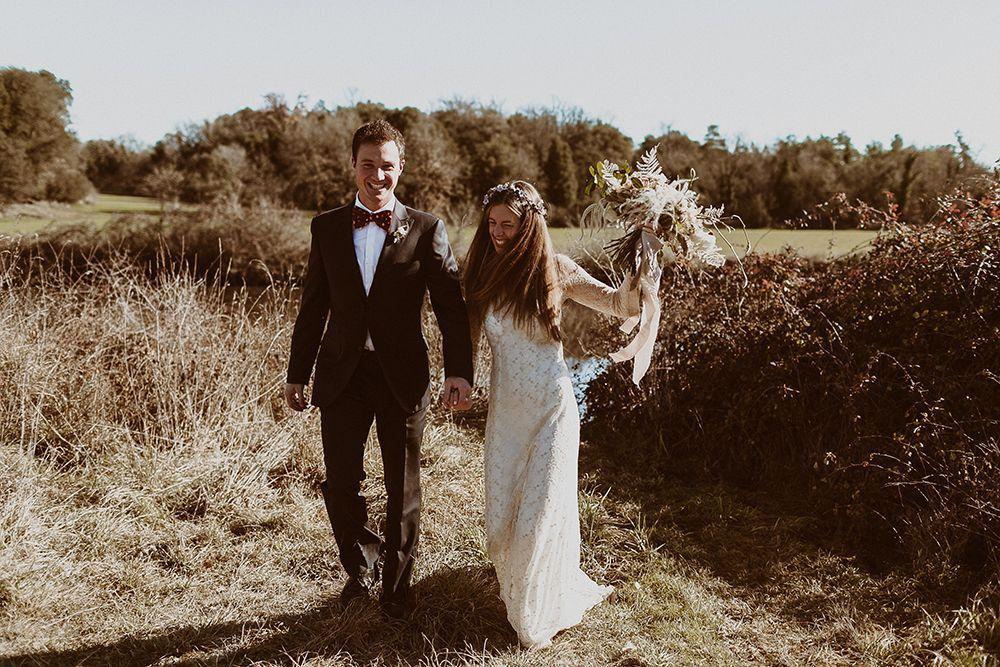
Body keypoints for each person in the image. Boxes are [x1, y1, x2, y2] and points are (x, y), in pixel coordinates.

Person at [284, 119, 474, 619]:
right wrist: (297, 373)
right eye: (368, 165)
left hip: (402, 378)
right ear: (353, 165)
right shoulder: (325, 226)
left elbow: (451, 307)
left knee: (403, 485)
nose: (377, 175)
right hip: (341, 375)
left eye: (386, 166)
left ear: (400, 168)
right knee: (341, 483)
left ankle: (396, 589)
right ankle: (360, 563)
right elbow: (313, 305)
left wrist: (460, 371)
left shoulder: (428, 228)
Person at [463, 180, 641, 649]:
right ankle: (518, 585)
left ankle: (533, 612)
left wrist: (643, 270)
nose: (498, 233)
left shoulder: (556, 270)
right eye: (493, 224)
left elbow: (619, 305)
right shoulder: (482, 270)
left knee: (541, 511)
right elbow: (465, 334)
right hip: (507, 413)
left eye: (509, 225)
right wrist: (456, 379)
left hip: (551, 407)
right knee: (507, 512)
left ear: (529, 226)